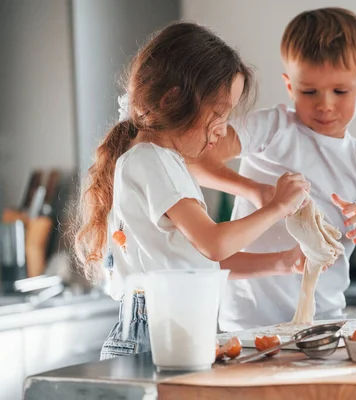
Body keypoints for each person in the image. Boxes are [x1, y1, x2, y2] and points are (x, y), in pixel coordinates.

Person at [74, 22, 310, 359]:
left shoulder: (163, 164)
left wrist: (283, 262)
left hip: (171, 324)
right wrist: (277, 207)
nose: (222, 129)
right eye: (218, 113)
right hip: (154, 332)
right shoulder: (151, 162)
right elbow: (214, 244)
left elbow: (203, 260)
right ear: (174, 99)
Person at [190, 7, 356, 331]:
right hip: (249, 324)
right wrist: (255, 191)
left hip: (324, 323)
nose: (325, 104)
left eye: (340, 91)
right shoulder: (272, 128)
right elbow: (195, 158)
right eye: (309, 91)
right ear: (290, 86)